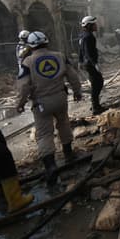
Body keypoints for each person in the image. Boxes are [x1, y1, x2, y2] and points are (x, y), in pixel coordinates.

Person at [17, 31, 82, 185]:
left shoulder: (27, 62)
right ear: (47, 42)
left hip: (41, 103)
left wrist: (20, 103)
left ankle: (51, 165)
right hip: (60, 98)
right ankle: (68, 153)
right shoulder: (59, 55)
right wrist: (77, 91)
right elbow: (73, 75)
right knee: (64, 124)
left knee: (45, 133)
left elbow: (24, 86)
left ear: (30, 46)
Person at [79, 15, 105, 115]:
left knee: (96, 83)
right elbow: (88, 52)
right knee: (97, 83)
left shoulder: (83, 35)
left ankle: (95, 104)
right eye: (94, 24)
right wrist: (95, 64)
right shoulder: (88, 36)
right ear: (89, 25)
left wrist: (80, 61)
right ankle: (95, 107)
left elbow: (81, 50)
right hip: (90, 64)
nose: (96, 25)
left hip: (87, 63)